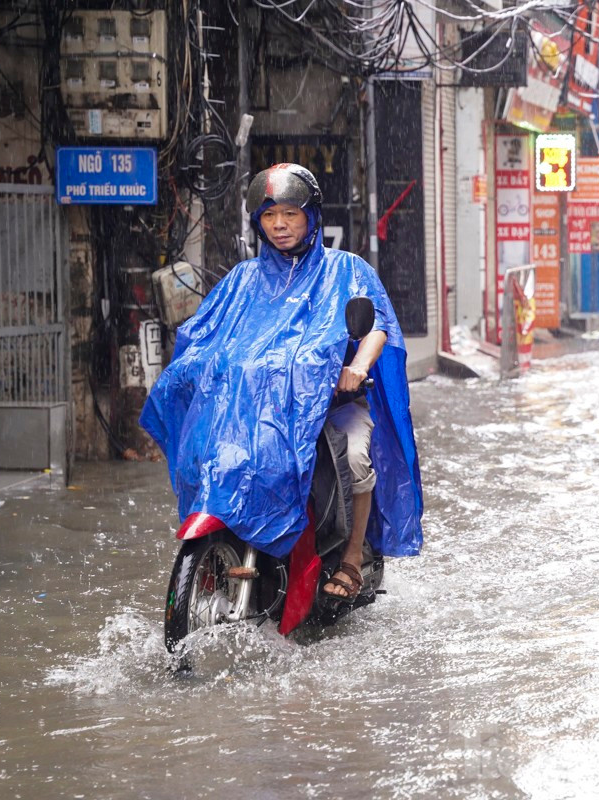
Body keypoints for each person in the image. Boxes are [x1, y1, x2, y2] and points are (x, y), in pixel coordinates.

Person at [140, 163, 423, 605]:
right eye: (269, 217)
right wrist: (190, 369)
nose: (279, 225)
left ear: (311, 216)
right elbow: (206, 334)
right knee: (213, 458)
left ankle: (350, 557)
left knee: (355, 458)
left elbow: (377, 327)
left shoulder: (346, 270)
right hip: (257, 413)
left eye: (289, 214)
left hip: (333, 405)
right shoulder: (242, 279)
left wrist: (357, 367)